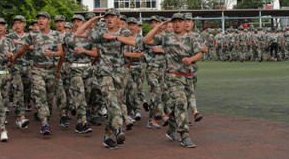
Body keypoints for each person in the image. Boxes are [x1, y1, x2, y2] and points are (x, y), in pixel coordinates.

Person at [75, 9, 136, 149]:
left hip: (120, 73)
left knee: (115, 105)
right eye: (107, 17)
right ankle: (118, 128)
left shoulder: (123, 32)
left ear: (118, 19)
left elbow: (132, 42)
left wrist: (114, 38)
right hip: (104, 72)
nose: (109, 20)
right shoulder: (100, 33)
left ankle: (108, 137)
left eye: (112, 17)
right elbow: (78, 33)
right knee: (112, 102)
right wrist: (91, 21)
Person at [144, 13, 206, 148]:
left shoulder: (191, 38)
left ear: (185, 23)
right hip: (172, 77)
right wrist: (159, 27)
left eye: (180, 21)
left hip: (187, 76)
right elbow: (147, 40)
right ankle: (185, 135)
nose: (177, 24)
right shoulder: (167, 37)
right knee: (181, 101)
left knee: (180, 106)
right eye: (175, 22)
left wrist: (191, 59)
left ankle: (171, 129)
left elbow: (200, 53)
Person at [12, 11, 64, 136]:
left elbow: (61, 52)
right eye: (39, 19)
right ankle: (44, 124)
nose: (40, 21)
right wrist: (13, 58)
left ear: (48, 21)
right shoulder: (33, 35)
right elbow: (24, 49)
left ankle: (47, 116)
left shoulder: (56, 35)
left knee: (50, 98)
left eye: (43, 19)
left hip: (51, 69)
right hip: (37, 70)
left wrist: (53, 55)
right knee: (40, 97)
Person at [60, 14, 96, 134]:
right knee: (80, 95)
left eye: (79, 21)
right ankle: (83, 122)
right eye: (74, 21)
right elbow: (64, 51)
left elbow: (95, 53)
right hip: (74, 69)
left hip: (88, 69)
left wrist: (84, 51)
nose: (76, 23)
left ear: (84, 22)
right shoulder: (68, 36)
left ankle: (81, 120)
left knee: (87, 95)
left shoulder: (90, 37)